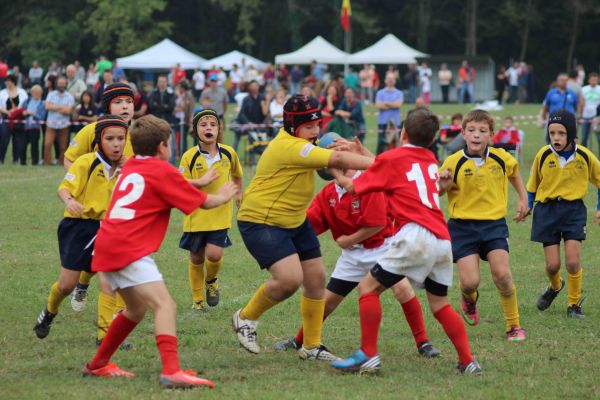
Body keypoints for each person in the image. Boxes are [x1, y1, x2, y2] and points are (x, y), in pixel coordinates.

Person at [81, 114, 237, 388]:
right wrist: (223, 196)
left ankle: (98, 364)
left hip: (108, 243)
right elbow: (205, 202)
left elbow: (171, 187)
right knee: (165, 305)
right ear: (164, 146)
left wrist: (102, 264)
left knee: (135, 309)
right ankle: (171, 371)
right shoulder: (162, 170)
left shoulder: (130, 168)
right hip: (129, 248)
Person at [329, 107, 481, 374]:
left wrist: (337, 174)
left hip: (415, 235)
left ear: (403, 133)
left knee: (367, 289)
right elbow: (392, 166)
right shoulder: (430, 159)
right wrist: (365, 155)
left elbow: (355, 187)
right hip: (443, 240)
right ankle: (468, 361)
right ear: (432, 140)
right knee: (440, 304)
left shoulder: (394, 158)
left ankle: (368, 354)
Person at [232, 95, 375, 360]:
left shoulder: (306, 143)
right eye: (308, 127)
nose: (315, 132)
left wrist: (341, 156)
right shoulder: (291, 146)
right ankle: (245, 317)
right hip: (261, 219)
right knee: (288, 280)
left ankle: (310, 346)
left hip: (294, 220)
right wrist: (383, 165)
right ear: (292, 126)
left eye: (318, 125)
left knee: (316, 279)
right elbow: (335, 158)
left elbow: (332, 155)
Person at [273, 168, 441, 359]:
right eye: (336, 164)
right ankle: (299, 340)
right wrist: (283, 236)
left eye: (348, 163)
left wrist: (348, 240)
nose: (344, 169)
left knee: (402, 289)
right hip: (352, 256)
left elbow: (376, 224)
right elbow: (309, 225)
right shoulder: (328, 193)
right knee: (326, 302)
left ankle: (423, 342)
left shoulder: (369, 186)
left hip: (382, 248)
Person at [33, 115, 129, 341]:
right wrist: (70, 202)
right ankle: (49, 312)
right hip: (78, 227)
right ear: (99, 142)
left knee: (110, 279)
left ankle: (104, 335)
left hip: (108, 227)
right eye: (110, 139)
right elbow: (64, 189)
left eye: (121, 139)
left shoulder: (128, 168)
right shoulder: (86, 161)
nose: (116, 144)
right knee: (67, 285)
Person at [438, 109, 529, 341]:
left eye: (482, 131)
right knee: (470, 282)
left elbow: (514, 174)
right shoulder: (452, 161)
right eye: (471, 130)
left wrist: (523, 198)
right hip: (462, 227)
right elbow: (437, 191)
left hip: (494, 225)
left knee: (502, 275)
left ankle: (513, 325)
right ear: (463, 133)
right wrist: (443, 185)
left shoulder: (501, 157)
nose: (476, 135)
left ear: (491, 135)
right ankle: (469, 298)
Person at [63, 83, 136, 347]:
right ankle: (82, 284)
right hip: (92, 212)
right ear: (107, 106)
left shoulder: (135, 135)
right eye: (119, 102)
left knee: (118, 266)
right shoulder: (90, 131)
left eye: (129, 101)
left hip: (123, 212)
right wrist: (80, 189)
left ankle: (111, 326)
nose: (126, 106)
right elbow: (70, 159)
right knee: (94, 262)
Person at [527, 109, 600, 320]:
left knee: (573, 262)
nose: (556, 138)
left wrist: (598, 207)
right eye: (552, 133)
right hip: (547, 211)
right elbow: (533, 185)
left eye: (561, 133)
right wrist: (528, 205)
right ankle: (555, 286)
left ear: (571, 134)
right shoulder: (543, 154)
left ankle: (573, 305)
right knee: (552, 265)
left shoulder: (585, 156)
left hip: (573, 211)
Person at [179, 109, 243, 310]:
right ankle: (197, 300)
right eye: (203, 125)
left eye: (212, 124)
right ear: (195, 130)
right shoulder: (189, 157)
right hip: (196, 215)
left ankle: (211, 281)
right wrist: (200, 182)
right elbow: (179, 184)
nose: (209, 128)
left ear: (219, 128)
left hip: (220, 214)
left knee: (214, 255)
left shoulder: (228, 153)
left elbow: (237, 174)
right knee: (197, 257)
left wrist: (239, 193)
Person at [44, 76, 74, 166]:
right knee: (47, 145)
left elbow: (68, 111)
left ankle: (62, 163)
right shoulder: (51, 94)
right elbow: (47, 107)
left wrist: (54, 107)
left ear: (66, 84)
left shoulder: (70, 97)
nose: (61, 85)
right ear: (57, 84)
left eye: (63, 84)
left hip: (64, 125)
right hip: (51, 124)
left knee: (63, 147)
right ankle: (47, 163)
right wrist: (62, 107)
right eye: (59, 83)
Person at [0, 75, 28, 164]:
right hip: (6, 118)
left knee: (17, 140)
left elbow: (25, 105)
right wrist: (8, 112)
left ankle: (15, 159)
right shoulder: (2, 93)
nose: (7, 83)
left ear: (13, 81)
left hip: (18, 119)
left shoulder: (22, 92)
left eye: (9, 81)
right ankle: (1, 159)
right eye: (6, 81)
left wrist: (16, 111)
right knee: (4, 139)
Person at [375, 74, 403, 155]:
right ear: (385, 80)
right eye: (388, 78)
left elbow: (398, 105)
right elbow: (379, 106)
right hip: (382, 122)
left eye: (392, 79)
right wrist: (393, 104)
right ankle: (378, 160)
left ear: (395, 81)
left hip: (395, 122)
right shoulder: (380, 93)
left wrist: (385, 103)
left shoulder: (399, 93)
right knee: (381, 143)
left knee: (395, 143)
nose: (390, 80)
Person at [21, 84, 46, 165]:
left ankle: (35, 161)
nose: (36, 94)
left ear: (41, 93)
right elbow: (21, 111)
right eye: (34, 93)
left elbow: (41, 117)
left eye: (38, 93)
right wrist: (24, 113)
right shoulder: (27, 101)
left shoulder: (42, 104)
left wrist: (32, 114)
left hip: (35, 128)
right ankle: (23, 161)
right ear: (31, 93)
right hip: (26, 126)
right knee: (23, 145)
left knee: (34, 146)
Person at [581, 73, 600, 150]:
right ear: (589, 80)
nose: (594, 82)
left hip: (597, 117)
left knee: (599, 138)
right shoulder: (583, 89)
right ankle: (583, 156)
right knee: (584, 138)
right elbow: (581, 102)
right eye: (592, 80)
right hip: (585, 116)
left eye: (595, 80)